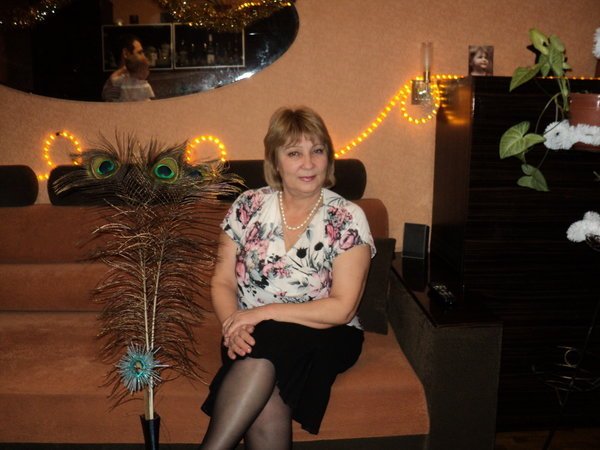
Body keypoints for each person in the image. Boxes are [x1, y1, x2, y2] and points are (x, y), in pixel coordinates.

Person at [199, 106, 375, 450]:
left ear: (329, 158)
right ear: (275, 161)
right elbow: (222, 281)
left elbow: (341, 309)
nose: (308, 163)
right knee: (262, 363)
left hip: (326, 332)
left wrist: (259, 314)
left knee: (263, 349)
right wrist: (233, 325)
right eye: (294, 153)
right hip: (247, 333)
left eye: (317, 150)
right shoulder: (247, 206)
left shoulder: (347, 217)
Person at [102, 34, 150, 101]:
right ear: (125, 53)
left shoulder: (137, 79)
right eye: (140, 52)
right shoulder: (114, 85)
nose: (143, 56)